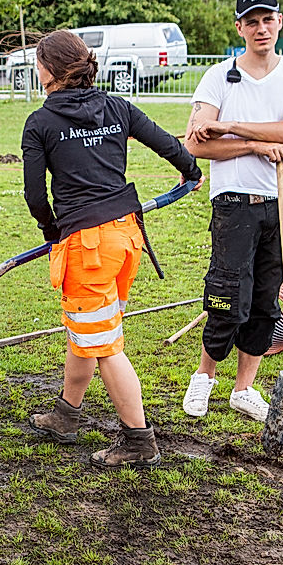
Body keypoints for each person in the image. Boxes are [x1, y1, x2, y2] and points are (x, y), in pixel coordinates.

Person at [21, 30, 202, 468]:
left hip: (87, 248)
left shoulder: (41, 123)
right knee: (90, 329)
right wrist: (190, 170)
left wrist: (51, 230)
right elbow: (167, 143)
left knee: (104, 346)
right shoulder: (116, 106)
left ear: (47, 71)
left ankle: (139, 441)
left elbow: (34, 196)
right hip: (125, 238)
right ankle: (67, 414)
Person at [182, 0, 283, 421]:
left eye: (268, 19)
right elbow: (196, 142)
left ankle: (244, 389)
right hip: (234, 205)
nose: (261, 28)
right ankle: (204, 378)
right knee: (227, 296)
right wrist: (253, 145)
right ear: (239, 27)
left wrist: (231, 127)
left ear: (279, 22)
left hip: (280, 203)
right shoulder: (218, 76)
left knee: (265, 302)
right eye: (252, 21)